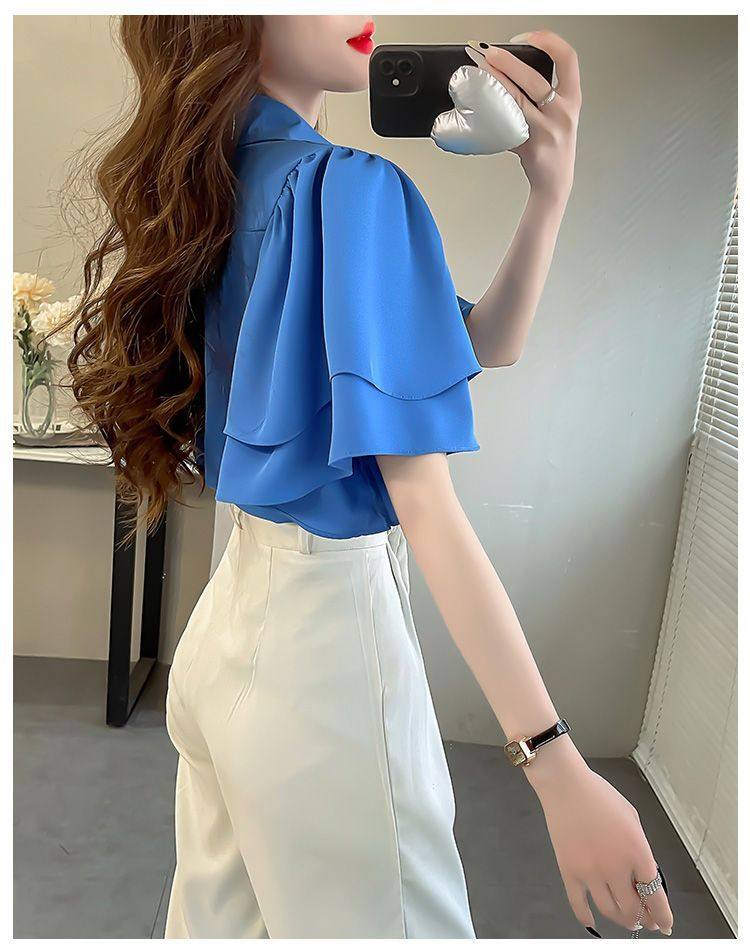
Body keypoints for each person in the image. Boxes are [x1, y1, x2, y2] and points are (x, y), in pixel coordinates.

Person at [66, 14, 675, 940]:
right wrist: (555, 765)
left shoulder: (216, 180)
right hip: (326, 662)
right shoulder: (350, 189)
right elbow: (424, 501)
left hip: (229, 632)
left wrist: (547, 195)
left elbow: (483, 343)